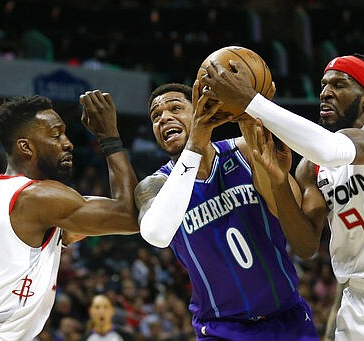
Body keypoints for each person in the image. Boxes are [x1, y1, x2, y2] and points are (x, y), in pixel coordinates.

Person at [200, 53, 364, 340]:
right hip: (356, 300)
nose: (325, 92)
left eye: (339, 84)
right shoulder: (311, 168)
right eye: (323, 85)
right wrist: (279, 181)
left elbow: (333, 149)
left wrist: (252, 102)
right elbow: (305, 245)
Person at [0, 90, 139, 340]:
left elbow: (66, 233)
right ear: (26, 147)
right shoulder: (37, 196)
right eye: (56, 134)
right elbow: (130, 216)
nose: (68, 143)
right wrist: (109, 136)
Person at [134, 82, 319, 340]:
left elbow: (292, 216)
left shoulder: (244, 149)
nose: (164, 118)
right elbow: (155, 232)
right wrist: (196, 144)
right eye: (156, 116)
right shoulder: (156, 185)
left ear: (199, 111)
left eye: (175, 108)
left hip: (287, 319)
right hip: (220, 329)